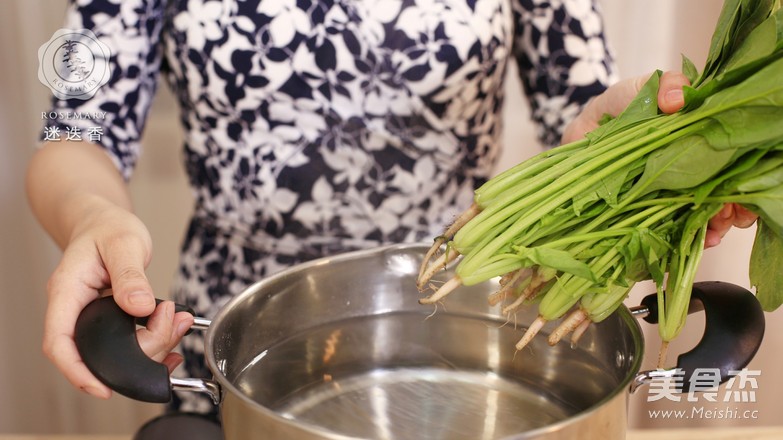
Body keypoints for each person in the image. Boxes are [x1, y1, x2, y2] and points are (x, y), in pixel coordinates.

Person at [26, 0, 755, 417]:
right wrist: (91, 213)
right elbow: (77, 134)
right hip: (235, 337)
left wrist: (620, 132)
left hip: (474, 313)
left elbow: (582, 104)